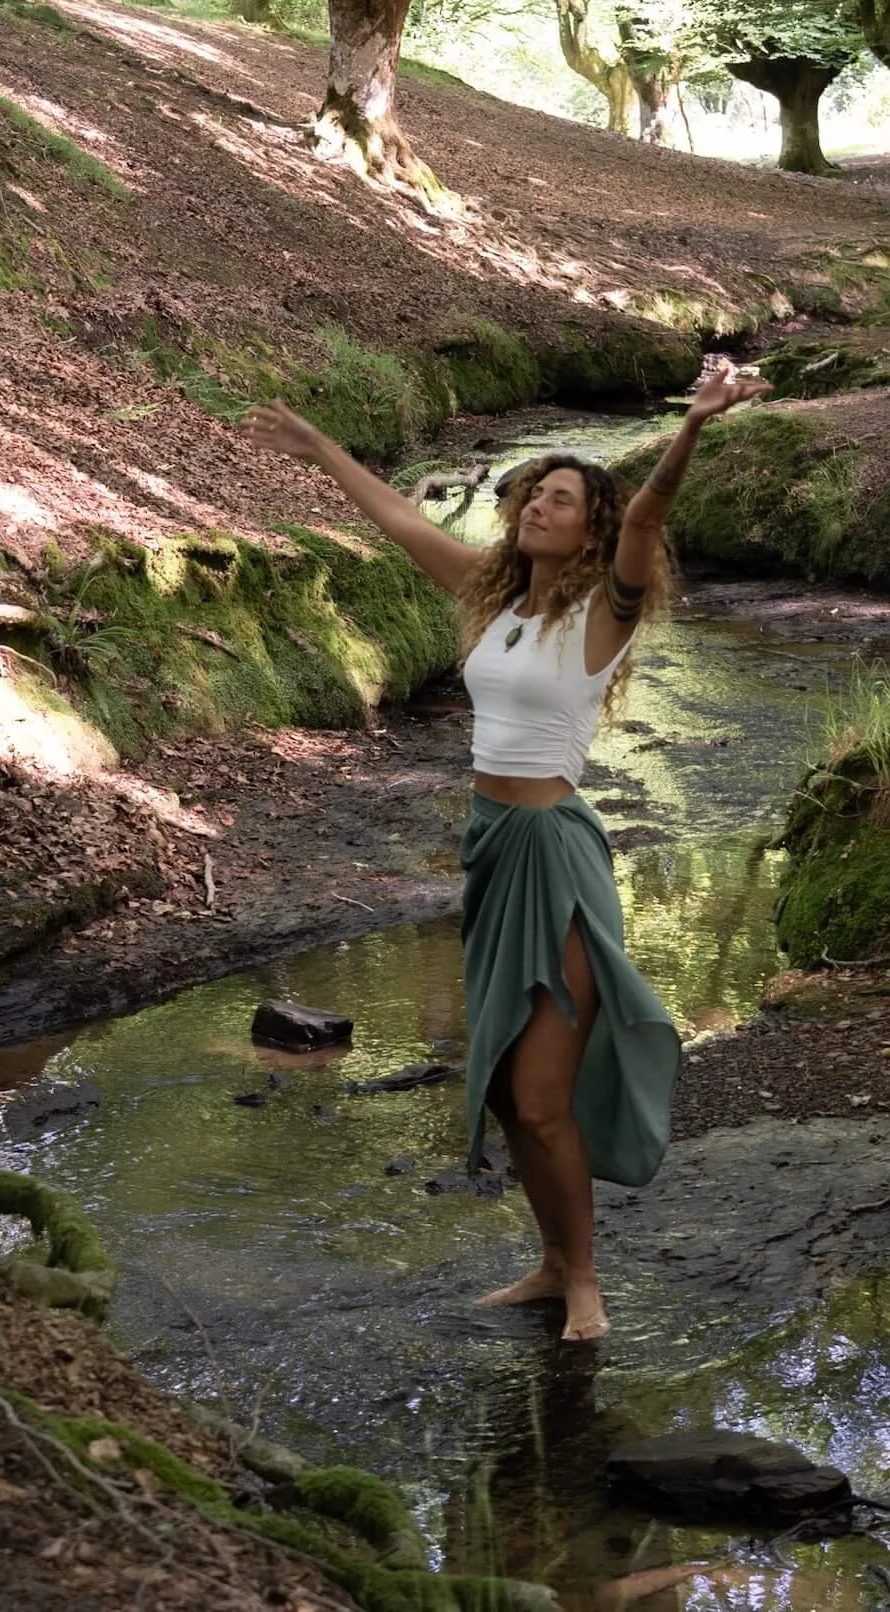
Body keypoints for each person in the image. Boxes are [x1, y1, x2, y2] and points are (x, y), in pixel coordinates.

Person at [239, 355, 767, 1342]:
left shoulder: (602, 615)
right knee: (506, 1097)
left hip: (554, 855)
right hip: (490, 847)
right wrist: (317, 448)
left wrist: (695, 424)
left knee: (542, 1096)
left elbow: (647, 519)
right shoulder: (496, 602)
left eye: (562, 500)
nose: (539, 506)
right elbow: (400, 523)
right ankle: (552, 1262)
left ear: (590, 529)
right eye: (535, 493)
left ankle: (586, 1281)